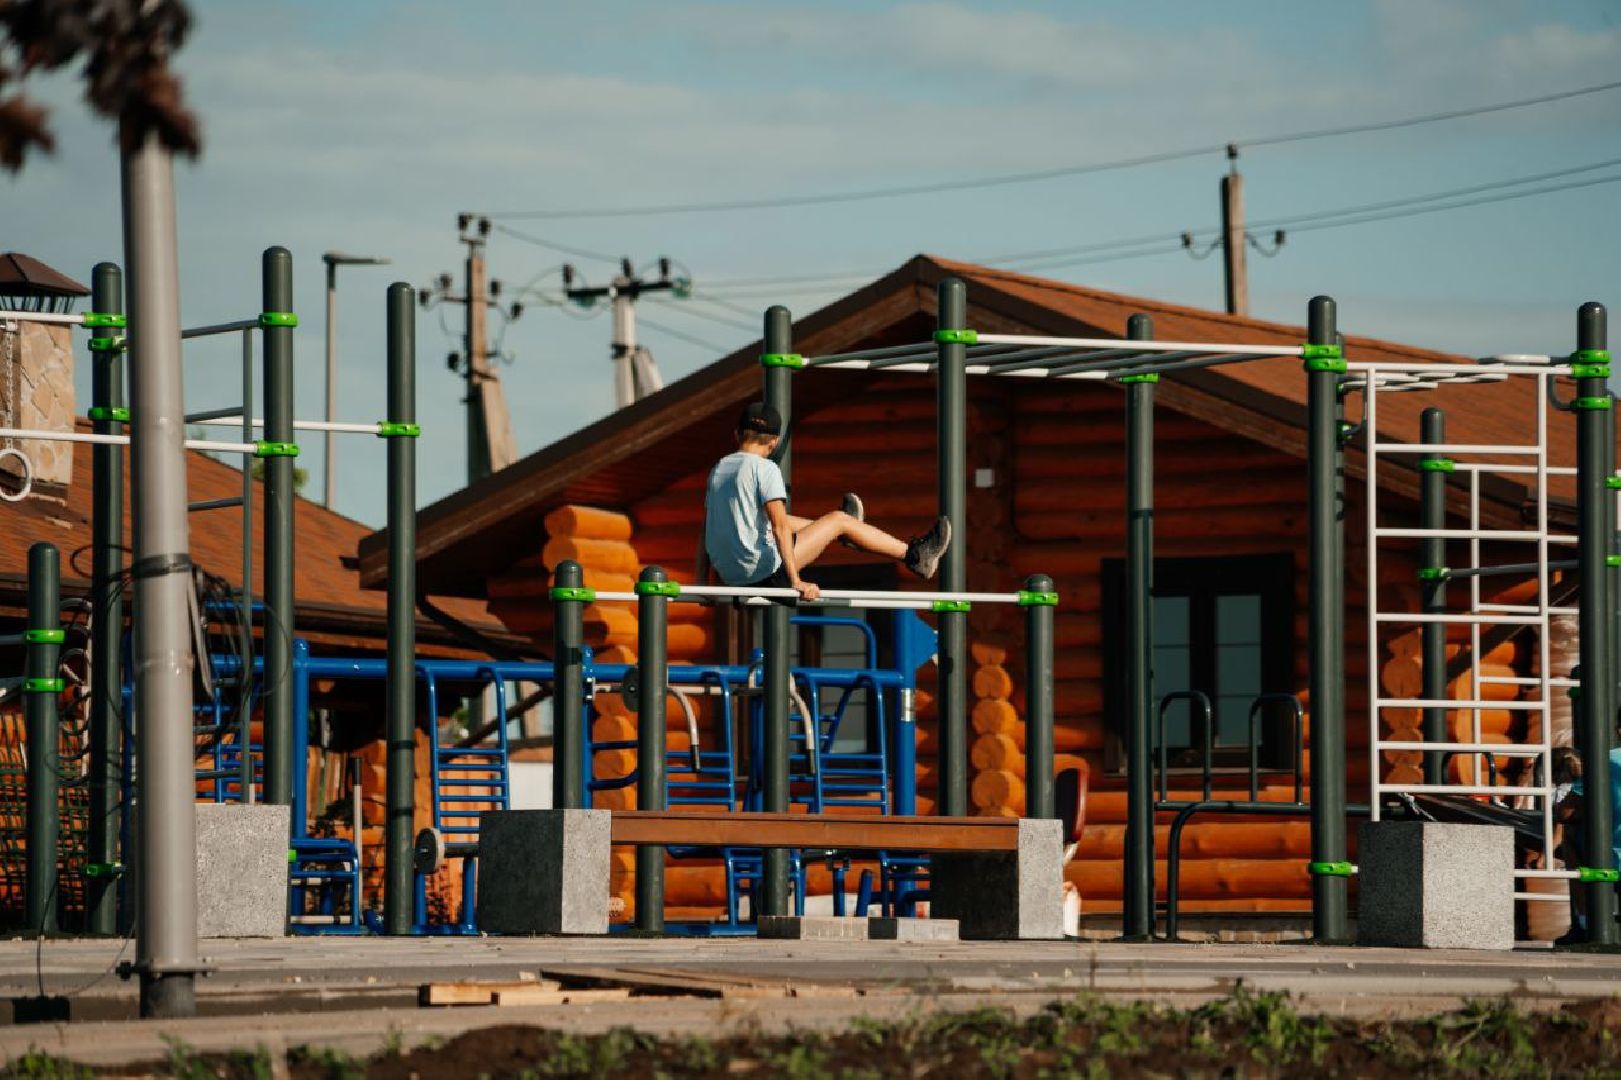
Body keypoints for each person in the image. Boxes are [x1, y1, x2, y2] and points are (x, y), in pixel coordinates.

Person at [702, 402, 952, 601]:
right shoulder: (765, 469)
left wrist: (704, 588)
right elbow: (779, 528)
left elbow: (707, 529)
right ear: (774, 442)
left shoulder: (719, 469)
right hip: (764, 572)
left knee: (793, 520)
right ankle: (917, 557)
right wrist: (795, 580)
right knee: (837, 520)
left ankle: (847, 532)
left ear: (737, 434)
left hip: (730, 576)